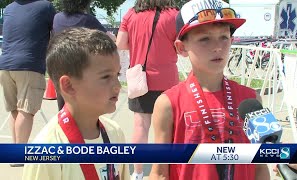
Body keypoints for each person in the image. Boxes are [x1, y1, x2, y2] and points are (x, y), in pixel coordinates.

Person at [149, 0, 270, 179]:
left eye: (224, 37)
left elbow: (260, 167)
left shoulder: (252, 100)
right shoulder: (167, 104)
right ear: (181, 47)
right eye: (204, 39)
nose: (217, 47)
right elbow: (159, 173)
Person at [22, 28, 130, 180]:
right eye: (106, 77)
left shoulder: (115, 133)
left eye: (117, 74)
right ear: (69, 86)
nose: (118, 86)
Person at [116, 0, 179, 179]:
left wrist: (137, 44)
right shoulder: (174, 15)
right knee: (167, 129)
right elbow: (182, 48)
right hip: (168, 81)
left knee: (140, 126)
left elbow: (120, 43)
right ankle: (164, 172)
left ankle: (137, 173)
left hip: (140, 79)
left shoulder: (130, 14)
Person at [0, 0, 55, 152]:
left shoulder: (9, 7)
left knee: (15, 110)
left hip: (5, 65)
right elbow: (57, 34)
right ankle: (19, 154)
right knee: (26, 110)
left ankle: (15, 151)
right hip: (29, 64)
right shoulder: (46, 6)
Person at [53, 0, 115, 110]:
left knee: (63, 104)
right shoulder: (88, 19)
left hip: (60, 65)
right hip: (81, 66)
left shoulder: (57, 18)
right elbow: (109, 38)